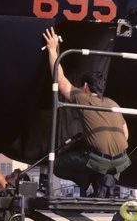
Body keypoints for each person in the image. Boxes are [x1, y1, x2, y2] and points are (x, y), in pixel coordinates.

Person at [42, 27, 129, 197]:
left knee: (58, 165)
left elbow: (61, 81)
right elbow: (125, 134)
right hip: (121, 161)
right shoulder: (114, 104)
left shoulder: (83, 98)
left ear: (86, 87)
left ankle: (90, 180)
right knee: (98, 160)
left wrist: (53, 50)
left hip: (100, 160)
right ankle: (103, 180)